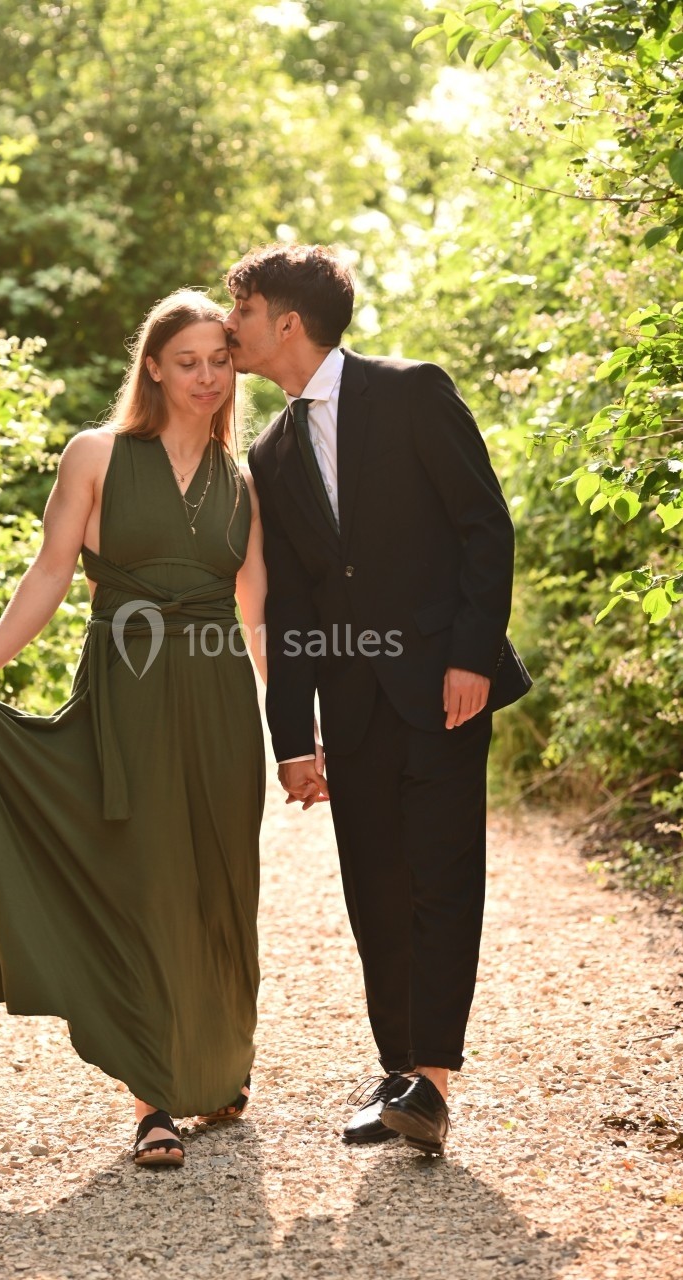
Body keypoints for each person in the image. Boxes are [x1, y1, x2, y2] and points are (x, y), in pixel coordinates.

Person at [0, 290, 269, 1169]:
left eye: (220, 360)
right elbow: (51, 572)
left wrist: (298, 732)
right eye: (188, 361)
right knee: (145, 881)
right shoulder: (96, 454)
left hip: (221, 702)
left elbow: (258, 613)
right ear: (152, 366)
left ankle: (220, 1063)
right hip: (129, 693)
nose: (207, 377)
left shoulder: (246, 479)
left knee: (223, 887)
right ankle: (153, 1098)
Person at [224, 244, 532, 1156]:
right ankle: (399, 1069)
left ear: (287, 322)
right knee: (375, 889)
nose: (230, 326)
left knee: (441, 876)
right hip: (352, 706)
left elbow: (485, 527)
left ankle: (432, 1081)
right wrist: (293, 738)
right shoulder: (270, 451)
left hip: (444, 687)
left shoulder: (411, 392)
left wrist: (472, 657)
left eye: (242, 311)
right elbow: (291, 605)